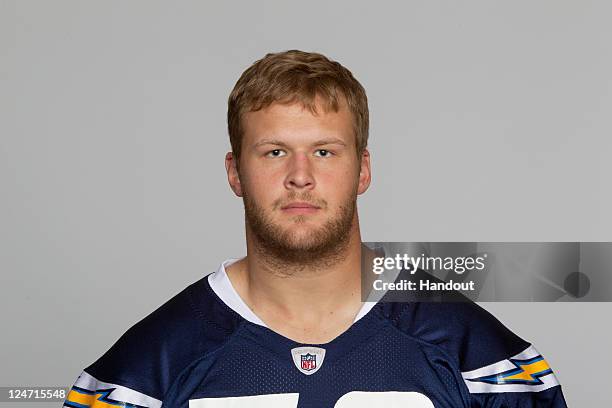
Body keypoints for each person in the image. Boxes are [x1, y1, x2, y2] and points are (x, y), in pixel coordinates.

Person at [63, 50, 568, 408]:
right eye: (275, 152)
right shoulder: (143, 375)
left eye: (324, 151)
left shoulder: (482, 363)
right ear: (235, 173)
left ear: (363, 169)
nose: (300, 175)